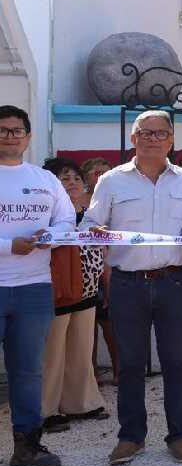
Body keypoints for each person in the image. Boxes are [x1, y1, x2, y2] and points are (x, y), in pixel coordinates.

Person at [81, 110, 182, 465]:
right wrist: (96, 231)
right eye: (145, 133)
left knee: (176, 363)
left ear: (171, 139)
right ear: (133, 139)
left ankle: (179, 434)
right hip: (127, 285)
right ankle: (131, 436)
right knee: (130, 364)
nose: (152, 138)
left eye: (160, 133)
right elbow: (91, 222)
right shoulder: (112, 181)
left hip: (174, 282)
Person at [0, 105, 74, 466]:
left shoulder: (45, 179)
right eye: (3, 129)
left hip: (33, 288)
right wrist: (8, 245)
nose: (10, 135)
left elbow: (65, 219)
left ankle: (26, 446)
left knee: (28, 371)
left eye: (17, 130)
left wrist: (51, 236)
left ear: (28, 137)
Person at [39, 158, 108, 434]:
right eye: (64, 178)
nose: (72, 183)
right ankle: (45, 409)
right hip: (58, 289)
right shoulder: (49, 214)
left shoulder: (91, 213)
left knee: (81, 346)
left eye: (76, 178)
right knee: (52, 351)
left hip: (87, 287)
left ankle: (82, 402)